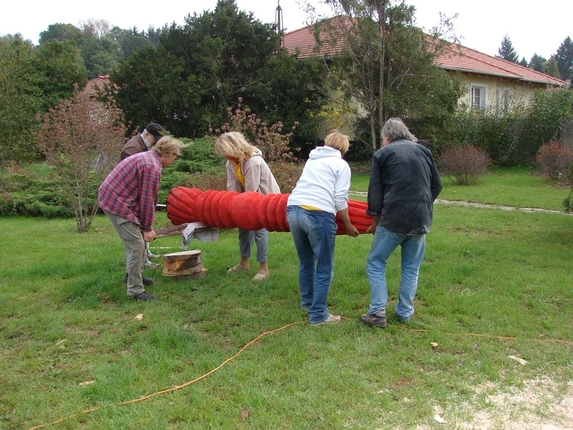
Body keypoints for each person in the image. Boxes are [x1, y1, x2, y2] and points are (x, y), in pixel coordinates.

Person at [360, 118, 442, 328]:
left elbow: (375, 193)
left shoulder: (382, 154)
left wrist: (375, 220)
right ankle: (405, 312)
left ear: (387, 137)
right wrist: (422, 204)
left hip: (393, 219)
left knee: (376, 262)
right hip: (421, 219)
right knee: (411, 267)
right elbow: (437, 185)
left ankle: (377, 312)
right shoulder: (423, 151)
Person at [99, 136, 187, 301]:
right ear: (167, 153)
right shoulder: (151, 167)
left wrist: (143, 225)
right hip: (117, 202)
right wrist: (147, 228)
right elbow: (147, 200)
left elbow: (142, 198)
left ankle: (132, 276)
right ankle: (135, 290)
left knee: (134, 243)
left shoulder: (149, 158)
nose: (174, 160)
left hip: (115, 198)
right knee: (137, 245)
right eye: (174, 156)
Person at [286, 131, 359, 325]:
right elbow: (340, 198)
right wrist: (349, 224)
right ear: (343, 149)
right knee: (324, 266)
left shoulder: (312, 161)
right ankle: (318, 315)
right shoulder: (341, 165)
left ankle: (308, 302)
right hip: (318, 214)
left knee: (306, 261)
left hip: (293, 210)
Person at [214, 131, 281, 281]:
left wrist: (242, 206)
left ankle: (263, 269)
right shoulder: (231, 162)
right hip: (247, 199)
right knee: (243, 230)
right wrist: (232, 205)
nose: (224, 156)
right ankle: (244, 263)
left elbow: (252, 190)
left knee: (259, 231)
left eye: (225, 152)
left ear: (234, 148)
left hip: (264, 199)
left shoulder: (253, 162)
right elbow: (232, 186)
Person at [120, 122, 165, 269]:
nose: (155, 143)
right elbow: (137, 181)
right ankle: (142, 263)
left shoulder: (144, 146)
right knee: (137, 237)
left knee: (142, 232)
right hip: (127, 198)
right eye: (154, 139)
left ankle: (147, 255)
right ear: (146, 134)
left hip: (134, 196)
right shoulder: (133, 149)